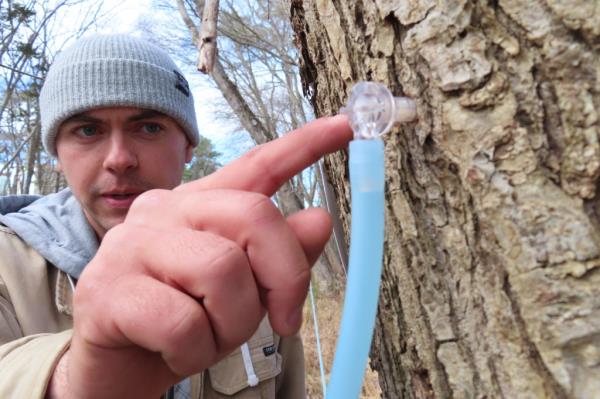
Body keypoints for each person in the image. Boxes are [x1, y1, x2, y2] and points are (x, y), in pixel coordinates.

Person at [0, 34, 351, 398]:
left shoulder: (245, 255)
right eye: (87, 130)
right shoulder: (7, 265)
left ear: (187, 146)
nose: (119, 159)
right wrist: (71, 381)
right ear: (56, 153)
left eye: (149, 127)